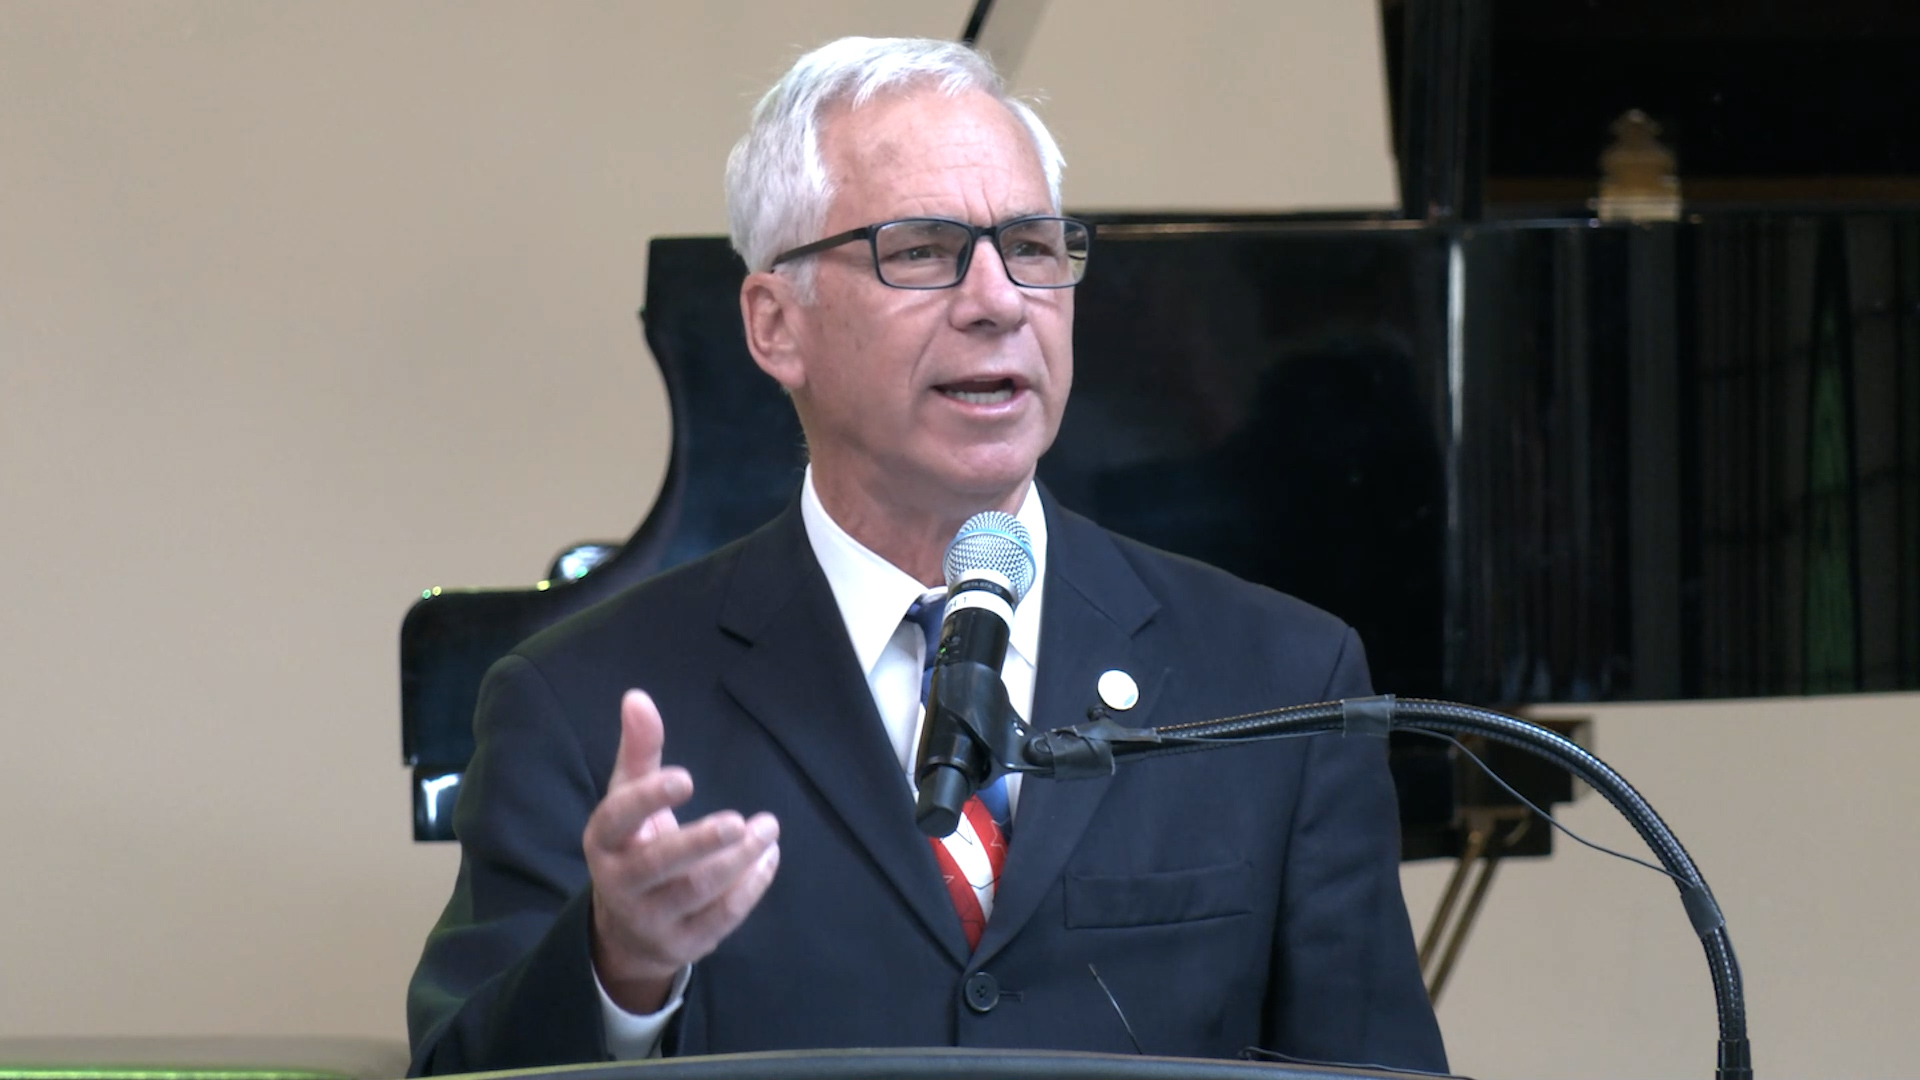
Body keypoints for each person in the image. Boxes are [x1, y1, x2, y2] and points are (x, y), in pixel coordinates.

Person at [406, 36, 1445, 1076]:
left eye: (1032, 247)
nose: (997, 300)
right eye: (919, 250)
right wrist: (616, 966)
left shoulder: (1283, 681)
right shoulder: (579, 704)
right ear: (776, 326)